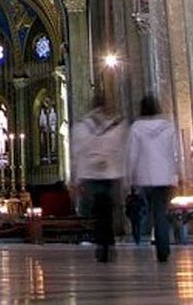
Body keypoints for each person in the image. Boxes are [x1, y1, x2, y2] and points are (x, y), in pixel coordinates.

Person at [70, 93, 126, 262]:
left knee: (97, 211)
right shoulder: (118, 125)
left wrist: (76, 177)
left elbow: (77, 152)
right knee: (108, 209)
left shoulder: (81, 126)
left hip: (90, 174)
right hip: (111, 173)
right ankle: (108, 241)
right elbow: (122, 150)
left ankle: (101, 243)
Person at [125, 94, 180, 263]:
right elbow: (174, 152)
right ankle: (163, 248)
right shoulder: (168, 127)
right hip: (164, 175)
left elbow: (132, 154)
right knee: (160, 212)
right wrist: (175, 174)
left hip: (146, 175)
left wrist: (130, 176)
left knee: (148, 211)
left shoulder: (136, 128)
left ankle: (144, 240)